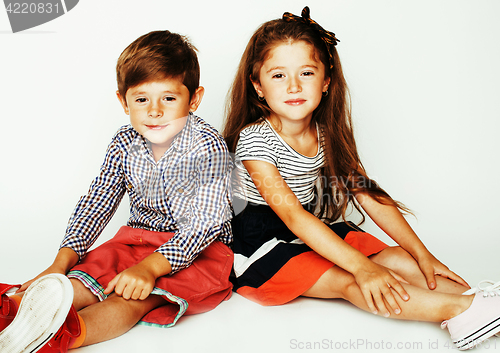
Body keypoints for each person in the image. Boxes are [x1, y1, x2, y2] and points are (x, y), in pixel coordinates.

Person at [222, 7, 500, 351]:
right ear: (257, 85)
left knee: (400, 259)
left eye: (306, 72)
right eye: (278, 75)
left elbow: (369, 196)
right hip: (261, 246)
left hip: (314, 229)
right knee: (353, 280)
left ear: (326, 81)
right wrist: (362, 268)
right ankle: (460, 311)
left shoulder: (326, 132)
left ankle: (485, 307)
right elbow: (292, 215)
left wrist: (423, 254)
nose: (293, 86)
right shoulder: (255, 139)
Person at [0, 30, 234, 352]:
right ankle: (11, 313)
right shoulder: (124, 142)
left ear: (193, 99)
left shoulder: (208, 145)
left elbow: (204, 223)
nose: (154, 111)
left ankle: (61, 337)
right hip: (136, 240)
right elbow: (99, 200)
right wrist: (60, 263)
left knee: (133, 297)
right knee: (78, 282)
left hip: (199, 252)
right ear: (123, 102)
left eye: (168, 98)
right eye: (141, 99)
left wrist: (150, 268)